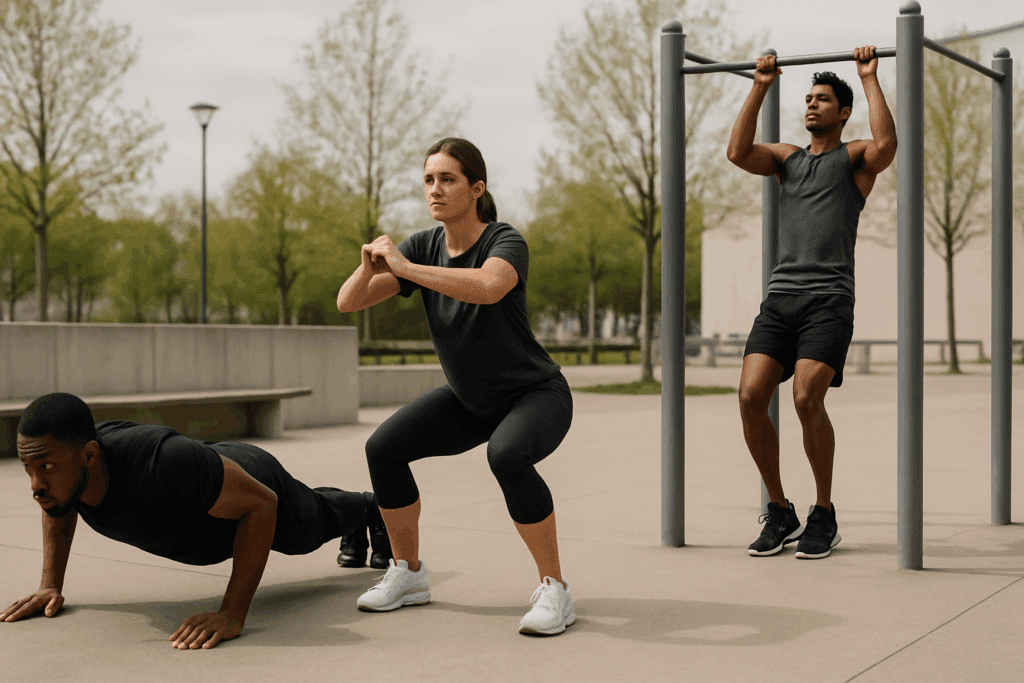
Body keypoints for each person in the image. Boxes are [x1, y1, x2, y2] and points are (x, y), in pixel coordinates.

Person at [336, 137, 575, 636]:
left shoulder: (504, 240)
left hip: (536, 395)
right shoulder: (423, 246)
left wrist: (406, 269)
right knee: (383, 448)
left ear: (476, 188)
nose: (435, 189)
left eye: (447, 179)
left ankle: (554, 589)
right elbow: (348, 303)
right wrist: (369, 266)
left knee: (506, 455)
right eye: (428, 180)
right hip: (471, 402)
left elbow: (488, 288)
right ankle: (409, 575)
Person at [0, 392, 390, 649]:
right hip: (209, 494)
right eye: (28, 468)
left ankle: (370, 507)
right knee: (315, 514)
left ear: (88, 455)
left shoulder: (161, 463)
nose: (36, 485)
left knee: (309, 529)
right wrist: (50, 585)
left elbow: (262, 505)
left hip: (249, 479)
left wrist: (231, 614)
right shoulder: (65, 477)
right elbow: (56, 505)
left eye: (46, 466)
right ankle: (354, 519)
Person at [726, 47, 896, 559]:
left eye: (823, 99)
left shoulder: (855, 159)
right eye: (808, 98)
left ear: (842, 112)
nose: (812, 105)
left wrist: (867, 77)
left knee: (805, 398)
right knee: (751, 397)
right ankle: (780, 510)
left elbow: (887, 144)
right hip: (780, 300)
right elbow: (736, 152)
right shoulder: (786, 160)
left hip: (828, 301)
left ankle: (824, 512)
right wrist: (759, 84)